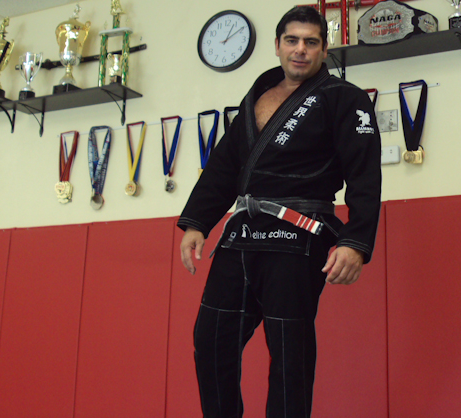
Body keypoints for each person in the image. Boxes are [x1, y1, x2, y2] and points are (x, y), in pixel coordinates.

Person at [178, 6, 382, 417]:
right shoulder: (257, 96)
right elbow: (225, 165)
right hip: (242, 234)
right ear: (277, 45)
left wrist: (355, 242)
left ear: (324, 49)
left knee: (290, 355)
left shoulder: (345, 98)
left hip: (298, 235)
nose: (300, 49)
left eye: (311, 42)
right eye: (292, 40)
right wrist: (198, 221)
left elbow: (364, 174)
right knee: (211, 340)